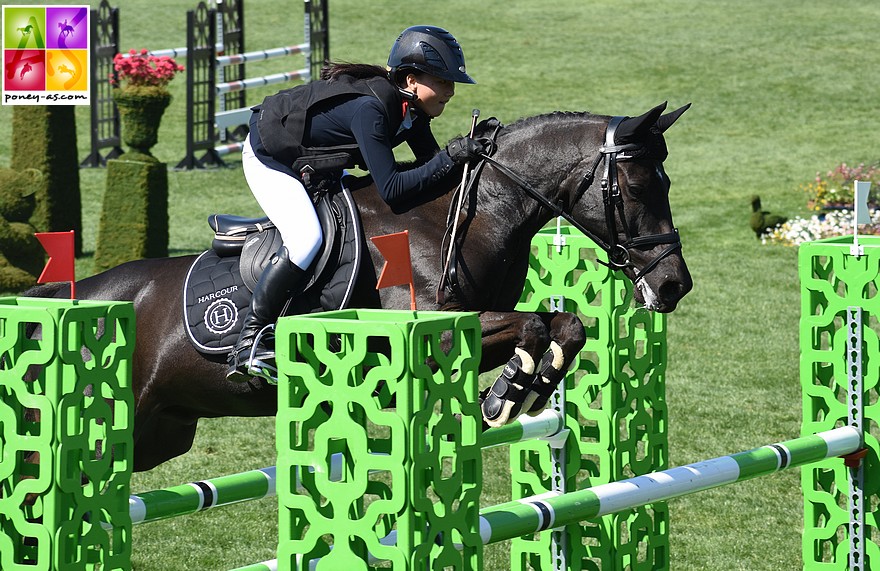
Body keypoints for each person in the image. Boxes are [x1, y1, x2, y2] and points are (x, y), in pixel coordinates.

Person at [227, 25, 487, 382]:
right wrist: (450, 158)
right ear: (411, 81)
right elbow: (394, 188)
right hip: (268, 156)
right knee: (306, 239)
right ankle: (251, 339)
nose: (451, 91)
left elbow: (434, 172)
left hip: (313, 161)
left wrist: (473, 153)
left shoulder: (411, 112)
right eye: (442, 81)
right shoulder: (372, 110)